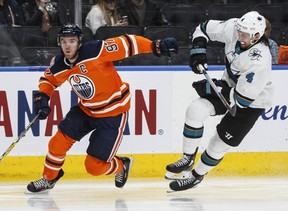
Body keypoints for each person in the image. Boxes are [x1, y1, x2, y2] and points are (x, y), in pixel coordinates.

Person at [25, 23, 178, 193]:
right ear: (59, 43)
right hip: (86, 110)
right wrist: (43, 97)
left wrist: (154, 46)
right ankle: (49, 179)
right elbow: (48, 80)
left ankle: (121, 166)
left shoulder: (96, 50)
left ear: (79, 42)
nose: (68, 46)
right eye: (64, 41)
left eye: (72, 41)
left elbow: (127, 43)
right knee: (57, 143)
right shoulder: (60, 64)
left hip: (113, 113)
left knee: (94, 167)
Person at [165, 11, 273, 192]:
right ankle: (188, 158)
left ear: (256, 36)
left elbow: (242, 100)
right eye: (239, 31)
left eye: (244, 35)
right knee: (195, 110)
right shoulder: (235, 27)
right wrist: (198, 50)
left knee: (219, 143)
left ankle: (196, 176)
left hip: (252, 103)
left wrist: (212, 89)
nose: (239, 36)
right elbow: (203, 29)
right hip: (229, 87)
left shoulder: (259, 61)